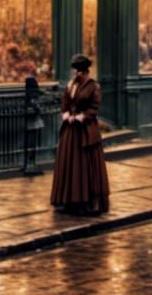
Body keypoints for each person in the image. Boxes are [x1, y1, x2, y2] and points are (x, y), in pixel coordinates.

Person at [50, 54, 110, 215]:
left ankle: (86, 201)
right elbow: (66, 102)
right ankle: (68, 200)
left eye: (80, 71)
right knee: (69, 163)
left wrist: (82, 116)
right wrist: (66, 114)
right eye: (76, 71)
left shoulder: (93, 86)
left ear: (85, 71)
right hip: (71, 130)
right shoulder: (71, 85)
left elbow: (94, 107)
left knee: (84, 165)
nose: (77, 74)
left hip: (85, 131)